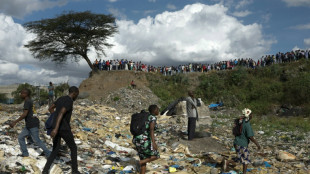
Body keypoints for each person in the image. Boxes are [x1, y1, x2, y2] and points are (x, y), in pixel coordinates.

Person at [43, 86, 80, 174]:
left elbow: (51, 108)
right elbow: (62, 112)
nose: (77, 97)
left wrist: (55, 120)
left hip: (57, 128)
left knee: (55, 150)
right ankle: (75, 171)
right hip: (63, 129)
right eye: (77, 95)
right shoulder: (69, 101)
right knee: (73, 148)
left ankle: (45, 170)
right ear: (74, 93)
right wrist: (56, 128)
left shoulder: (60, 98)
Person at [9, 88, 51, 158]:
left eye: (22, 93)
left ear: (26, 94)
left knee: (37, 140)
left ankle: (49, 154)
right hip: (29, 124)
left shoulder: (27, 102)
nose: (20, 94)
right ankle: (25, 154)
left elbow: (25, 114)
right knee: (20, 137)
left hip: (32, 123)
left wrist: (15, 122)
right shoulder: (29, 101)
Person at [133, 105, 160, 174]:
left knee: (144, 159)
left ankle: (141, 164)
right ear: (154, 110)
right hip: (144, 140)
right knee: (156, 155)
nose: (158, 111)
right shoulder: (152, 117)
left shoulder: (145, 116)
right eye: (157, 109)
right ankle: (139, 162)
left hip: (137, 139)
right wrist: (153, 143)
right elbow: (151, 129)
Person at [233, 108, 261, 174]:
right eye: (251, 114)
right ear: (249, 115)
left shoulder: (240, 121)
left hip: (236, 142)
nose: (252, 116)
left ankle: (227, 162)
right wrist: (257, 144)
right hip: (242, 144)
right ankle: (244, 173)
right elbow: (250, 136)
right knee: (246, 160)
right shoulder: (246, 124)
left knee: (240, 159)